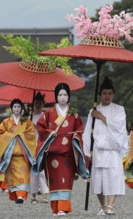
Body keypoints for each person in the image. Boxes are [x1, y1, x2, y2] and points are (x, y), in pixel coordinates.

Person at [35, 83, 89, 216]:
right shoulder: (49, 113)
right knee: (54, 181)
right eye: (60, 95)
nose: (63, 97)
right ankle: (55, 208)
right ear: (56, 96)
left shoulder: (73, 114)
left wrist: (76, 136)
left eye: (65, 95)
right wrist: (49, 133)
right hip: (52, 154)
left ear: (68, 96)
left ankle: (63, 207)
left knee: (65, 180)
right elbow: (40, 127)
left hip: (68, 153)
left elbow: (79, 130)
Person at [83, 77, 128, 216]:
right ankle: (103, 206)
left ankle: (110, 206)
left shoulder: (119, 109)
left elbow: (119, 127)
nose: (107, 96)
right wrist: (87, 150)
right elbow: (88, 131)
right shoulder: (93, 111)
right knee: (99, 180)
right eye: (104, 93)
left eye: (109, 93)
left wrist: (101, 116)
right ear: (100, 94)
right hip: (98, 150)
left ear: (113, 94)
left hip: (112, 150)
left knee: (113, 178)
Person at [0, 98, 36, 204]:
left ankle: (21, 196)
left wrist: (22, 135)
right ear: (11, 109)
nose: (17, 109)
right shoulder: (6, 122)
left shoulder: (27, 122)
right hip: (11, 155)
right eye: (15, 107)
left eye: (19, 107)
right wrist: (12, 136)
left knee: (23, 176)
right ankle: (16, 196)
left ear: (22, 108)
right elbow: (0, 133)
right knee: (13, 177)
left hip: (23, 154)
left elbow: (31, 134)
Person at [29, 92, 49, 204]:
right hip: (31, 145)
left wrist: (36, 126)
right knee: (33, 171)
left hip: (42, 144)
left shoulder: (46, 116)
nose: (38, 105)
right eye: (36, 103)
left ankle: (45, 195)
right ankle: (34, 196)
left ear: (43, 104)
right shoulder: (29, 117)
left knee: (42, 171)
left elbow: (48, 131)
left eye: (40, 103)